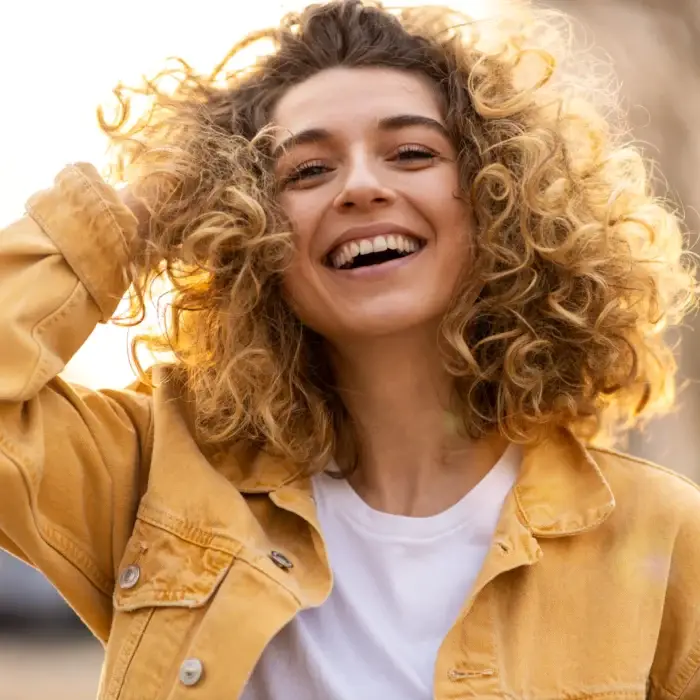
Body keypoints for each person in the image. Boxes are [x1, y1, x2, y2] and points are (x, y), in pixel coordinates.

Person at [1, 0, 699, 698]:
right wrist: (146, 207)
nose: (361, 186)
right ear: (249, 224)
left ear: (501, 201)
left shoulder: (661, 536)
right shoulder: (159, 477)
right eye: (305, 171)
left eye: (413, 153)